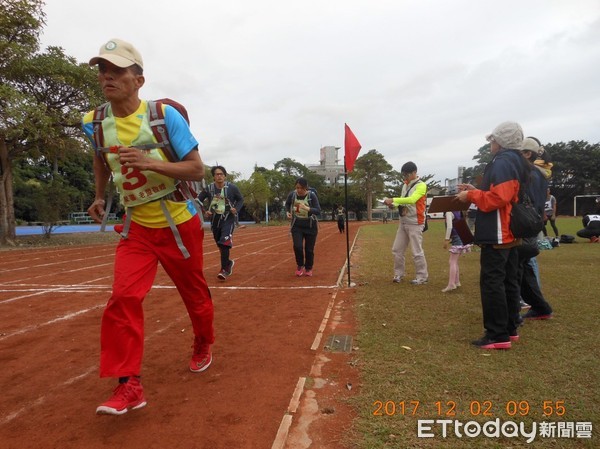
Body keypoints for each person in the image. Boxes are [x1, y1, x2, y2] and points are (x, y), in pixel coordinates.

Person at [82, 38, 214, 415]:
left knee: (196, 298)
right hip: (136, 226)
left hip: (178, 223)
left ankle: (203, 341)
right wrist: (99, 196)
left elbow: (196, 169)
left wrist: (149, 162)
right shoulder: (94, 122)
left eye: (118, 70)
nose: (108, 76)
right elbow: (100, 158)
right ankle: (129, 386)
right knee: (123, 298)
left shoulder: (162, 116)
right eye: (103, 70)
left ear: (139, 79)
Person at [456, 121, 529, 350]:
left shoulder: (503, 162)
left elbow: (498, 199)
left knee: (492, 282)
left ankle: (497, 334)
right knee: (508, 281)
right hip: (510, 231)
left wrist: (471, 196)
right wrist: (474, 190)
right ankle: (509, 328)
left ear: (501, 141)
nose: (491, 143)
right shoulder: (517, 161)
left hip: (499, 231)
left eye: (492, 139)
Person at [517, 137, 553, 320]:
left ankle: (517, 306)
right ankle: (540, 307)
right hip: (534, 221)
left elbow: (524, 200)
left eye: (519, 152)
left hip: (524, 223)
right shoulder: (541, 173)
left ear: (527, 154)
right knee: (525, 266)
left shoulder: (528, 173)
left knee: (518, 264)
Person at [383, 161, 428, 285]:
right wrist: (394, 204)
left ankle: (422, 277)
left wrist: (394, 199)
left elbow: (412, 199)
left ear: (414, 172)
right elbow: (404, 201)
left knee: (416, 251)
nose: (405, 177)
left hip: (415, 222)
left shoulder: (421, 185)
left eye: (407, 175)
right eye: (404, 175)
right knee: (397, 249)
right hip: (403, 221)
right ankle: (398, 274)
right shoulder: (405, 185)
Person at [197, 166, 244, 280]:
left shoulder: (232, 188)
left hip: (228, 219)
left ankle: (224, 270)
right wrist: (205, 211)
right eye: (217, 174)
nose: (219, 176)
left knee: (224, 242)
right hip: (215, 221)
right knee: (220, 244)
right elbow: (198, 201)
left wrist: (236, 209)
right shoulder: (209, 189)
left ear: (225, 176)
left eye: (221, 174)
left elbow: (240, 199)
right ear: (213, 176)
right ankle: (228, 263)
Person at [285, 177, 321, 276]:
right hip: (297, 225)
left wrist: (307, 208)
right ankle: (300, 265)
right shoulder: (292, 195)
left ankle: (308, 268)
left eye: (301, 188)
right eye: (297, 188)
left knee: (309, 249)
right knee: (298, 246)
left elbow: (318, 210)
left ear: (306, 188)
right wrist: (288, 212)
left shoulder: (311, 196)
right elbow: (287, 204)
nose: (299, 190)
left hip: (310, 226)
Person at [441, 210, 472, 292]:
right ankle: (456, 281)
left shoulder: (449, 212)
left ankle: (451, 284)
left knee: (452, 262)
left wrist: (446, 239)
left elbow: (450, 226)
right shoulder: (458, 211)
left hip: (457, 238)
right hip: (460, 236)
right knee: (454, 261)